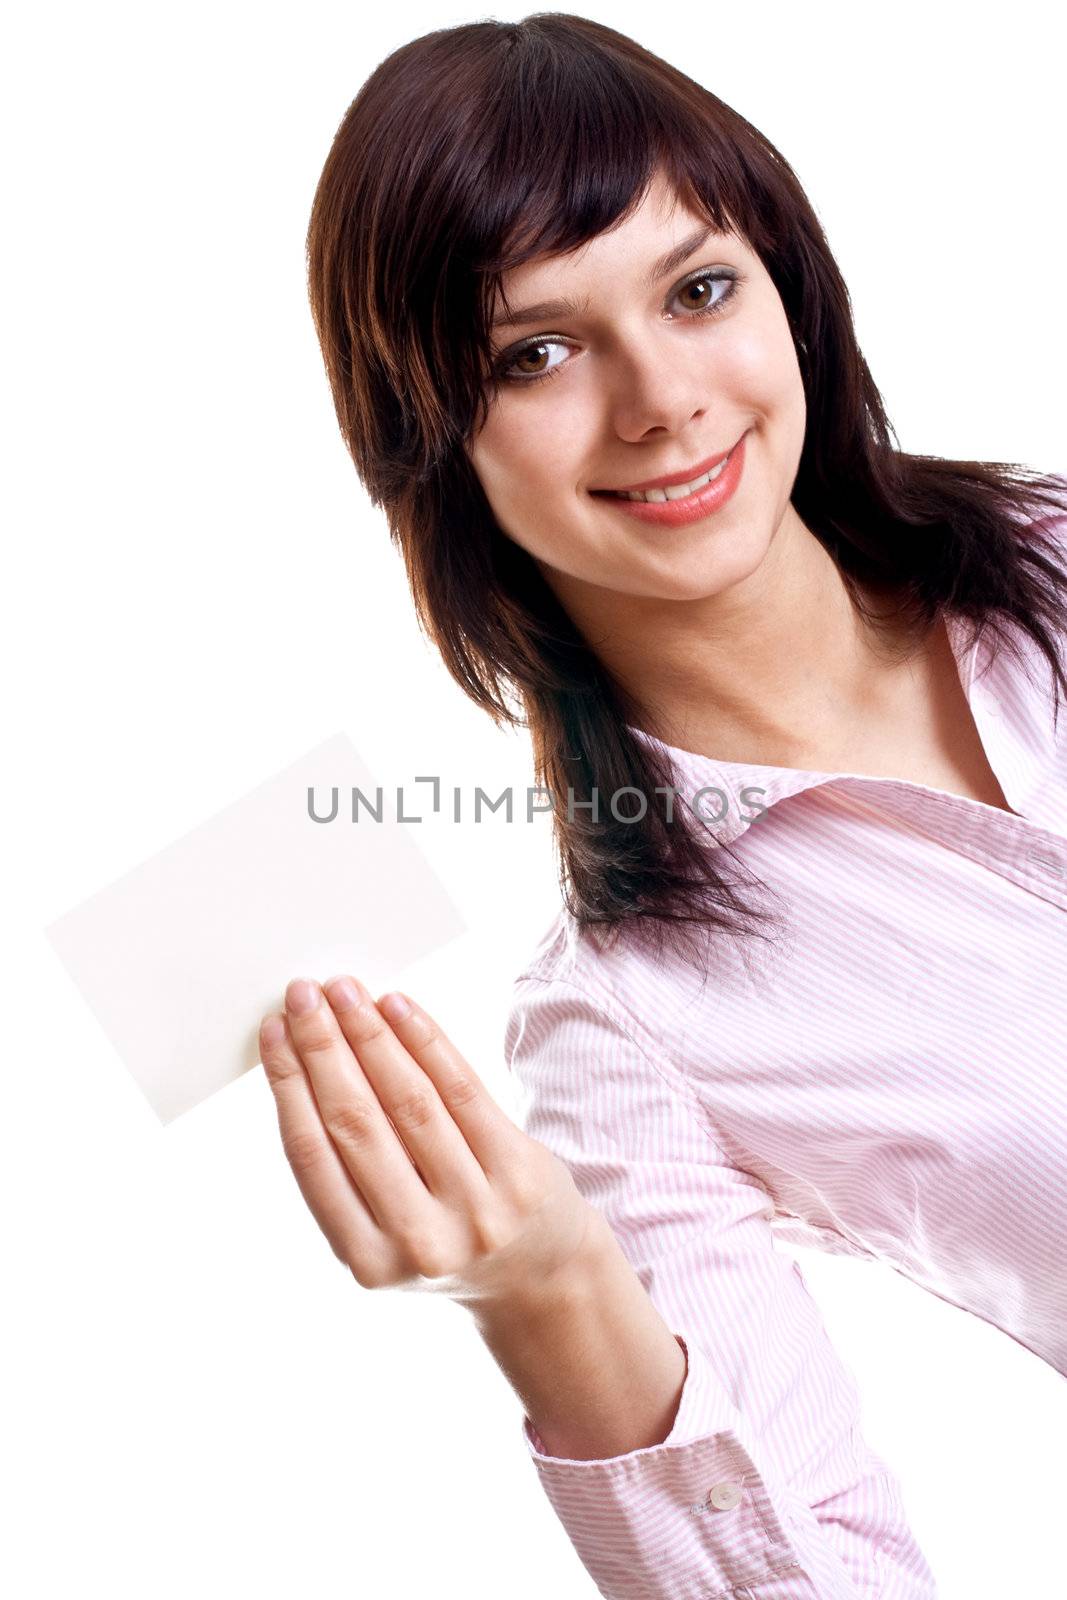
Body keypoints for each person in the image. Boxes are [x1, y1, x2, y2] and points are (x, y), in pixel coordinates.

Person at [259, 14, 1067, 1597]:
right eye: (535, 352)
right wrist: (551, 1297)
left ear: (791, 295)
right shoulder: (627, 1021)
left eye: (699, 290)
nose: (660, 399)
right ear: (433, 442)